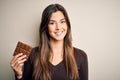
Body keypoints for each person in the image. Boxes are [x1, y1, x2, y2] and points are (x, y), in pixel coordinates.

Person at [10, 3, 88, 80]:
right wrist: (19, 75)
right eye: (52, 23)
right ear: (45, 27)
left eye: (62, 22)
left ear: (67, 24)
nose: (58, 27)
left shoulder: (81, 56)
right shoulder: (32, 54)